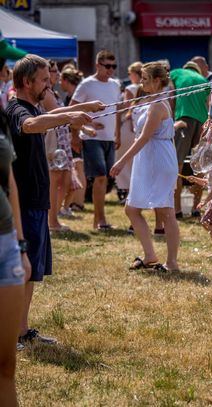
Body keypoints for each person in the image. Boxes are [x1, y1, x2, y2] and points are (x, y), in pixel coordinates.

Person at [5, 54, 101, 347]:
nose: (50, 85)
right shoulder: (16, 109)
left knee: (31, 271)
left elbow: (52, 113)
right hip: (23, 202)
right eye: (44, 80)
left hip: (36, 200)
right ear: (27, 82)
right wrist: (69, 117)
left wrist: (83, 108)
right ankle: (7, 332)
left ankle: (21, 330)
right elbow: (32, 124)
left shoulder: (33, 106)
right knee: (20, 272)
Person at [110, 62, 179, 273]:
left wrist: (122, 161)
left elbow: (144, 138)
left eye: (145, 79)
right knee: (132, 209)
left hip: (158, 160)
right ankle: (150, 256)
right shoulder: (151, 100)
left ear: (157, 81)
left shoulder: (158, 105)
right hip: (148, 160)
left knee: (166, 211)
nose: (141, 82)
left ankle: (172, 263)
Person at [70, 50, 122, 230]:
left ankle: (98, 219)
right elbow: (72, 109)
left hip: (109, 138)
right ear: (98, 65)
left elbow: (118, 110)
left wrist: (118, 134)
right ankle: (100, 220)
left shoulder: (115, 85)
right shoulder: (86, 84)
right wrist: (80, 130)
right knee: (100, 176)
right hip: (91, 138)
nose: (111, 70)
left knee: (105, 179)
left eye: (114, 66)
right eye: (107, 66)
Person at [0, 109, 28, 405]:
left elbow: (10, 184)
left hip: (5, 243)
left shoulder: (0, 117)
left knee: (6, 365)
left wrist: (20, 245)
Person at [169, 61, 210, 218]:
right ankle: (196, 208)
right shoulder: (204, 80)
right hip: (202, 122)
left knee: (177, 165)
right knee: (199, 165)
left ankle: (177, 209)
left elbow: (171, 96)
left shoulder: (177, 72)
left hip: (184, 119)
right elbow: (208, 105)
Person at [41, 60, 75, 232]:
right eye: (54, 71)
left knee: (64, 181)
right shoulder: (46, 93)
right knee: (54, 182)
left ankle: (54, 216)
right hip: (53, 141)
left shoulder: (53, 92)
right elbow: (59, 113)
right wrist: (80, 111)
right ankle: (52, 221)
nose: (58, 74)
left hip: (61, 140)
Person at [59, 67, 86, 213]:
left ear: (66, 80)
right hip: (76, 134)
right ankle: (76, 202)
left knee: (77, 167)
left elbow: (74, 118)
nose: (59, 83)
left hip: (73, 136)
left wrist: (75, 136)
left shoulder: (73, 97)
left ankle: (76, 203)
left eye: (61, 80)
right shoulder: (73, 95)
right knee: (78, 167)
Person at [115, 61, 142, 204]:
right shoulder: (147, 89)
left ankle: (127, 192)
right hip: (140, 128)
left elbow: (126, 108)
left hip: (128, 127)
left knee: (125, 160)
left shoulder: (130, 88)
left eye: (130, 73)